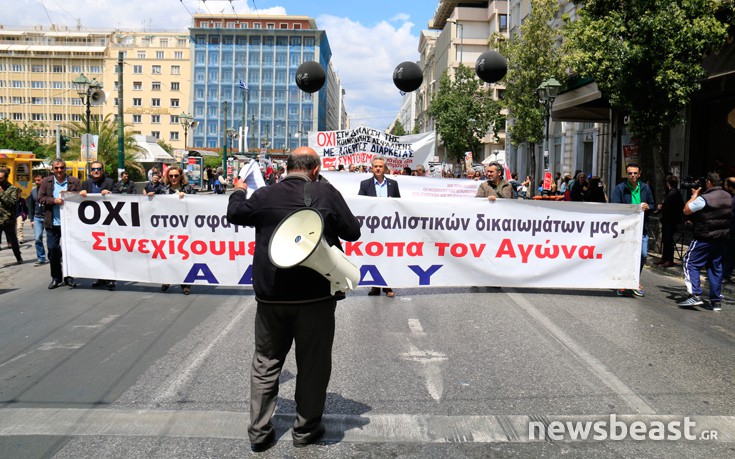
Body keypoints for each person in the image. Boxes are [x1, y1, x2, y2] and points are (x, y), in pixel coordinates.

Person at [226, 147, 361, 452]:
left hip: (271, 298)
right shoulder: (325, 193)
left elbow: (235, 212)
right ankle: (306, 430)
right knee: (313, 365)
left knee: (266, 362)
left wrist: (238, 190)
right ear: (316, 169)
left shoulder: (266, 195)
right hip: (314, 297)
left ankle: (259, 433)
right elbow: (352, 232)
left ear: (287, 167)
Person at [677, 173, 732, 310]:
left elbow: (686, 210)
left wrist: (694, 195)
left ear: (709, 183)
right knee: (715, 268)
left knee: (690, 262)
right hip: (720, 238)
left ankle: (695, 295)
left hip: (704, 237)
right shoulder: (728, 196)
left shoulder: (705, 198)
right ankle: (716, 301)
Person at [359, 154, 400, 297]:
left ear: (385, 168)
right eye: (375, 166)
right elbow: (360, 203)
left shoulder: (393, 184)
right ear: (371, 168)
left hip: (388, 227)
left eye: (380, 166)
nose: (377, 168)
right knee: (374, 255)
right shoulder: (365, 184)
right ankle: (375, 286)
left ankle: (387, 285)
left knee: (388, 255)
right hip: (372, 227)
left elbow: (398, 204)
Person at [611, 163, 655, 297]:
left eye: (635, 173)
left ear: (639, 174)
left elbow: (653, 204)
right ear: (627, 174)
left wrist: (648, 206)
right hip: (626, 229)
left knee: (642, 255)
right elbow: (615, 207)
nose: (632, 175)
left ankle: (635, 279)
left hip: (642, 229)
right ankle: (624, 282)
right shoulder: (620, 189)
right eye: (630, 173)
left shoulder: (645, 188)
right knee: (625, 255)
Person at [39, 158, 81, 289]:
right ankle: (56, 277)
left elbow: (81, 198)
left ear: (65, 168)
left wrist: (80, 194)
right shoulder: (46, 182)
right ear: (53, 169)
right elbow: (41, 198)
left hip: (69, 223)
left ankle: (69, 277)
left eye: (62, 167)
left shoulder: (74, 181)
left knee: (70, 251)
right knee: (53, 250)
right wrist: (53, 200)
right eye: (56, 168)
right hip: (52, 223)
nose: (59, 170)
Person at [156, 165, 196, 295]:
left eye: (176, 176)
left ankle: (185, 284)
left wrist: (187, 198)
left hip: (184, 228)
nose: (173, 178)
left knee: (184, 256)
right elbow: (156, 207)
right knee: (168, 254)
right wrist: (151, 197)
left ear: (180, 177)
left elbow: (197, 205)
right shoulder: (163, 190)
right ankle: (167, 279)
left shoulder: (188, 189)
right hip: (167, 228)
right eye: (171, 176)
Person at [80, 161, 116, 290]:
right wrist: (81, 194)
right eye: (94, 169)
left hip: (108, 222)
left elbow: (121, 197)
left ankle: (111, 279)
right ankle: (100, 277)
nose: (96, 171)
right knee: (97, 252)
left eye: (98, 169)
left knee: (109, 251)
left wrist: (111, 193)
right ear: (90, 170)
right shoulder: (85, 184)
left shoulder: (110, 182)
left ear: (102, 170)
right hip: (93, 224)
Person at [655, 175, 684, 268]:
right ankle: (664, 258)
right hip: (667, 220)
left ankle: (669, 260)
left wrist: (662, 206)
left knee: (668, 240)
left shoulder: (674, 193)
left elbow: (673, 207)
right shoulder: (672, 192)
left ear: (668, 183)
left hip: (670, 220)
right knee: (665, 240)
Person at [0, 168, 23, 265]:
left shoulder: (13, 189)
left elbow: (11, 203)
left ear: (6, 178)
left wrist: (1, 193)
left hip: (8, 220)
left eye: (0, 178)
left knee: (13, 241)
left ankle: (18, 257)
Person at [27, 174, 48, 266]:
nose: (37, 182)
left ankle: (55, 255)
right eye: (35, 180)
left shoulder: (49, 190)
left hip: (48, 217)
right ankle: (41, 257)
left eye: (39, 180)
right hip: (37, 217)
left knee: (52, 239)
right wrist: (31, 219)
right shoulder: (33, 192)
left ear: (43, 180)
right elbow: (30, 206)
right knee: (37, 238)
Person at [723, 177, 735, 283]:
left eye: (726, 184)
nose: (724, 186)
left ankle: (725, 275)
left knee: (728, 254)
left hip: (732, 230)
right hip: (730, 229)